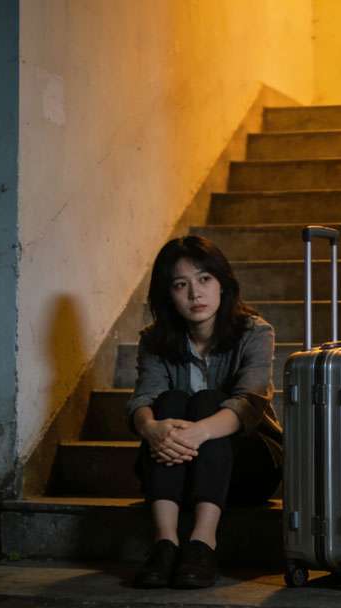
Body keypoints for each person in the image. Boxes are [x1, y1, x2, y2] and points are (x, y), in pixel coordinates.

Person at [126, 235, 281, 589]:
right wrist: (151, 429)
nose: (195, 294)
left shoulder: (255, 332)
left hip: (248, 470)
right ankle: (165, 542)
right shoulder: (155, 340)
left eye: (204, 279)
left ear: (222, 283)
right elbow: (143, 398)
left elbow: (249, 404)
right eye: (181, 284)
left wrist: (197, 432)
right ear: (168, 294)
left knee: (208, 402)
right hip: (178, 469)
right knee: (168, 403)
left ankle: (203, 542)